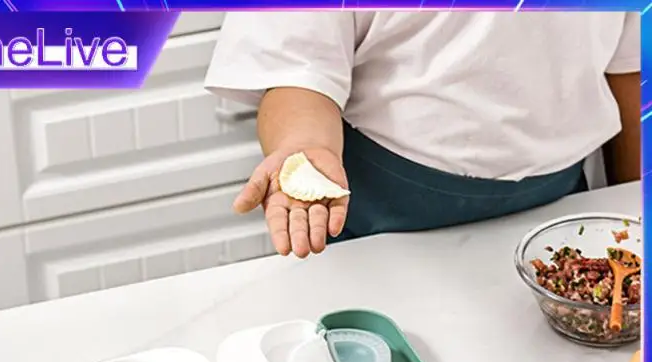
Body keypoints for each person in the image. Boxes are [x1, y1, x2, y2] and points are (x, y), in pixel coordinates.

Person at [204, 11, 640, 258]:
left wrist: (636, 209)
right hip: (382, 216)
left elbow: (632, 67)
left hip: (561, 208)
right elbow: (297, 72)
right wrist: (303, 145)